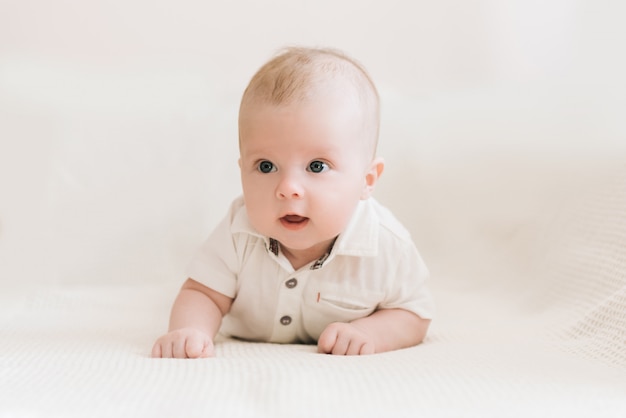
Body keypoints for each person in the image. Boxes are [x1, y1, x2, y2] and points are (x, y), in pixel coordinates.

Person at [152, 47, 434, 358]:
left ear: (367, 180)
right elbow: (202, 293)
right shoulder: (239, 230)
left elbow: (414, 313)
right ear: (242, 169)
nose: (287, 189)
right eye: (266, 166)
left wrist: (369, 333)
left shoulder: (386, 244)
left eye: (317, 166)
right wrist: (190, 330)